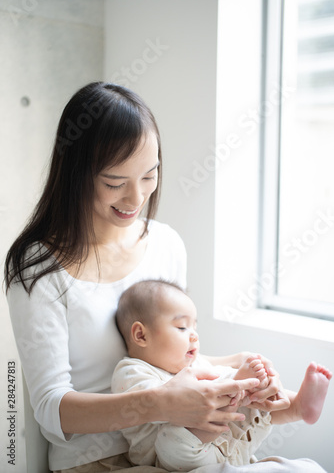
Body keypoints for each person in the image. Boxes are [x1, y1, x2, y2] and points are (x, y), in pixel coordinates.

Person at [4, 82, 327, 473]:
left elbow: (166, 359)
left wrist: (235, 369)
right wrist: (159, 404)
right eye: (114, 183)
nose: (135, 198)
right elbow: (52, 409)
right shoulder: (39, 268)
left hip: (182, 448)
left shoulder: (165, 243)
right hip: (98, 462)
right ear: (76, 174)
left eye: (149, 175)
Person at [112, 279, 332, 471]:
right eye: (181, 328)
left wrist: (253, 382)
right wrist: (236, 383)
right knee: (172, 440)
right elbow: (159, 407)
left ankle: (297, 407)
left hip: (227, 445)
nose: (195, 337)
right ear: (141, 335)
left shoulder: (196, 362)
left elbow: (225, 378)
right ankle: (242, 392)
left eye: (195, 328)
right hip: (173, 458)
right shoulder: (132, 370)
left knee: (256, 399)